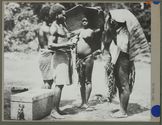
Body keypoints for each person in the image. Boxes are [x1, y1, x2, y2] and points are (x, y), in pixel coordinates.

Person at [103, 9, 150, 118]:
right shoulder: (119, 31)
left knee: (124, 85)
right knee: (120, 85)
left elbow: (122, 47)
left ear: (118, 21)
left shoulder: (124, 32)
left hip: (123, 59)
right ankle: (122, 109)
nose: (110, 21)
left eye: (112, 19)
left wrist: (112, 37)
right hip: (120, 59)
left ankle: (123, 112)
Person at [48, 3, 76, 119]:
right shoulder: (54, 26)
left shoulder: (62, 24)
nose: (65, 16)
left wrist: (71, 36)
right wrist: (67, 44)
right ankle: (54, 111)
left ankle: (57, 108)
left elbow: (64, 37)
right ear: (56, 15)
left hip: (66, 56)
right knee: (59, 84)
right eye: (62, 14)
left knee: (62, 84)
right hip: (59, 57)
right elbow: (50, 45)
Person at [72, 17, 102, 110]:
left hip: (88, 57)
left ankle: (86, 102)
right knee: (81, 81)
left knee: (88, 80)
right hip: (79, 59)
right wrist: (75, 37)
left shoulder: (91, 31)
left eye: (86, 20)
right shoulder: (80, 31)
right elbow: (72, 35)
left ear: (89, 22)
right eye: (83, 20)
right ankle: (82, 102)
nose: (84, 22)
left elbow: (93, 36)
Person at [37, 4, 53, 89]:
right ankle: (46, 101)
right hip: (46, 55)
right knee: (47, 81)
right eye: (50, 16)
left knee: (49, 80)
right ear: (46, 16)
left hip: (46, 55)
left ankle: (47, 101)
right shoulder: (44, 28)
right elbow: (45, 46)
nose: (52, 17)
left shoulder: (46, 27)